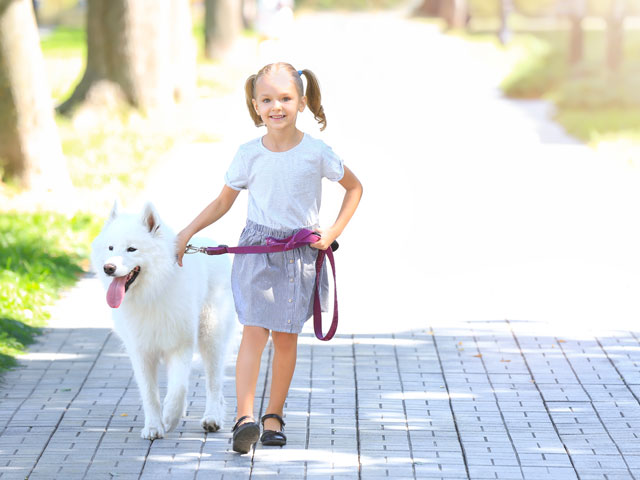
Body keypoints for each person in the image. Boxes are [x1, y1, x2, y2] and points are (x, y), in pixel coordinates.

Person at [175, 62, 363, 454]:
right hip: (256, 252)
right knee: (254, 333)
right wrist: (185, 233)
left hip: (298, 255)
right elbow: (223, 202)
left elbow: (355, 188)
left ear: (302, 101)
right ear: (255, 105)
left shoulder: (316, 152)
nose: (276, 106)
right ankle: (245, 418)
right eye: (267, 100)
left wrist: (332, 233)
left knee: (286, 338)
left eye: (285, 98)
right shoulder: (248, 155)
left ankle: (273, 415)